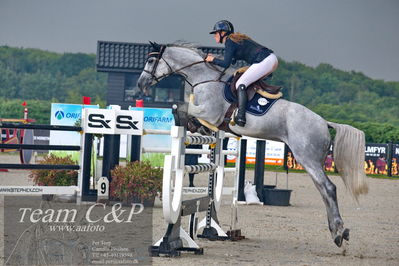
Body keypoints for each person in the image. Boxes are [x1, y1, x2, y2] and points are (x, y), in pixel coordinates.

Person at [205, 20, 278, 127]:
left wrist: (212, 59)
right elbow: (231, 59)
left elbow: (226, 64)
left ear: (223, 33)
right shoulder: (234, 40)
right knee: (246, 81)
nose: (214, 36)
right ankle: (253, 107)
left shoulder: (229, 41)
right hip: (270, 59)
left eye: (216, 33)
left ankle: (241, 116)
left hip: (265, 61)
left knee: (241, 83)